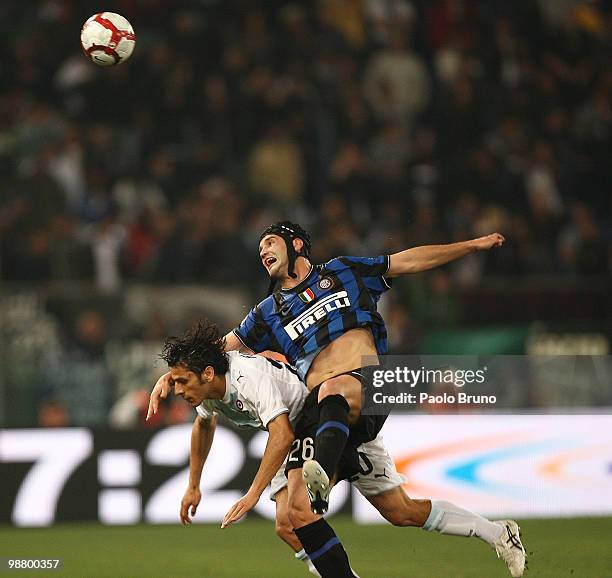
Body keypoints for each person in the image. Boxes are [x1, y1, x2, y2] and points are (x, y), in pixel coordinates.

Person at [160, 321, 527, 578]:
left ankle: (495, 533)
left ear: (207, 373)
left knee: (301, 517)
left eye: (181, 381)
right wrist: (193, 484)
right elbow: (203, 424)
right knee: (390, 513)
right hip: (305, 429)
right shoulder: (207, 392)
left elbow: (282, 434)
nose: (177, 389)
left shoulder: (247, 378)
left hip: (321, 420)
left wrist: (253, 493)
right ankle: (498, 533)